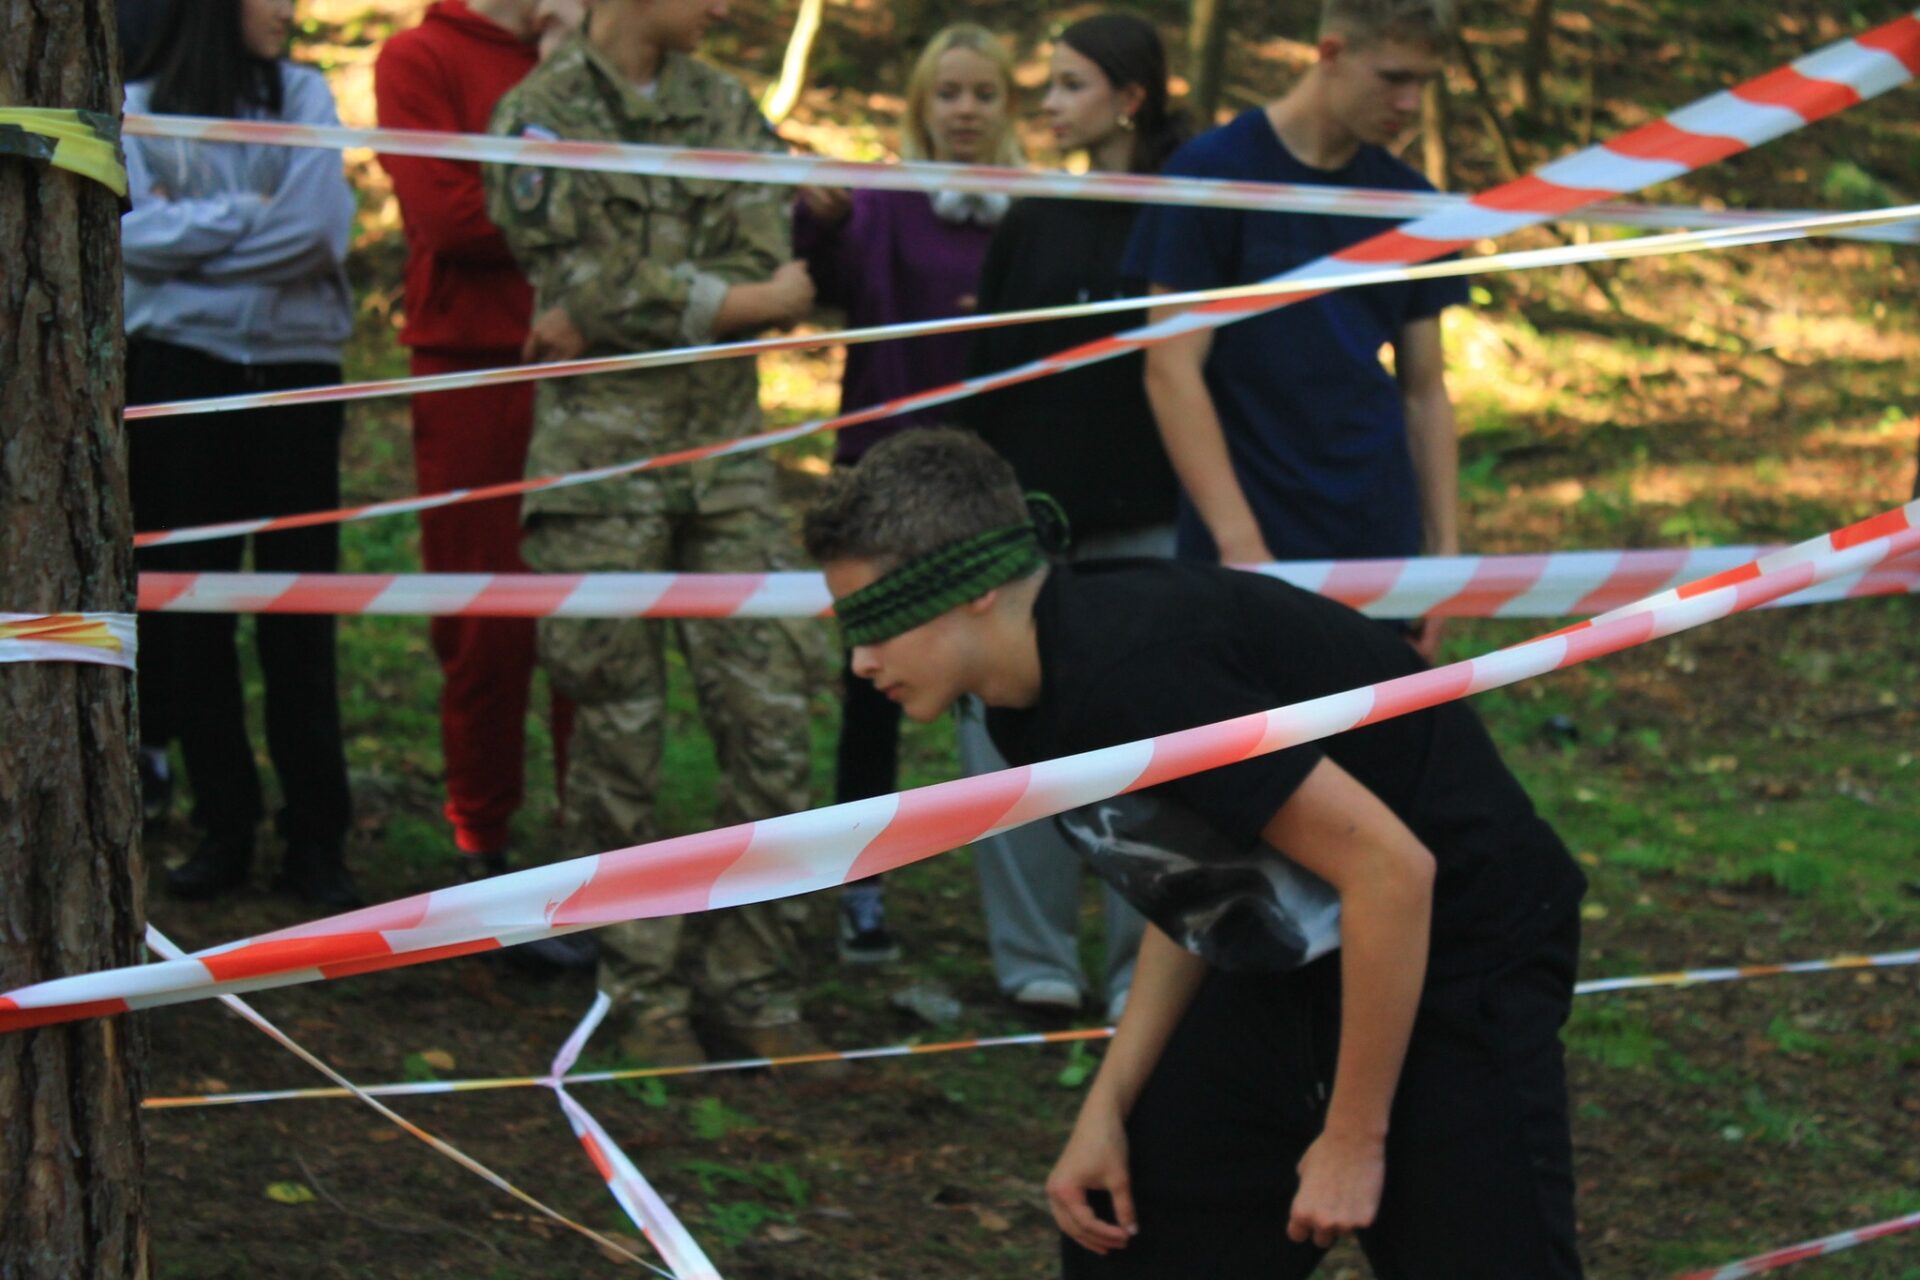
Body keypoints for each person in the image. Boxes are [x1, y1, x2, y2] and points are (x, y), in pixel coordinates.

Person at [803, 429, 1587, 1278]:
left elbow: (1392, 871)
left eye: (880, 620)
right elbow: (1195, 881)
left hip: (1457, 945)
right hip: (1294, 947)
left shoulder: (1136, 673)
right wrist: (1108, 1106)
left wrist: (1354, 1137)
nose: (861, 659)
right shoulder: (1025, 696)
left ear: (977, 589)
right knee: (1125, 1232)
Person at [486, 0, 828, 1066]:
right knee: (618, 738)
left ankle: (752, 981)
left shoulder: (725, 106)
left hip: (727, 469)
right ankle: (642, 993)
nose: (724, 9)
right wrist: (735, 301)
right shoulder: (537, 115)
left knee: (773, 715)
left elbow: (774, 266)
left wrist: (653, 305)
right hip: (601, 474)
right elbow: (577, 281)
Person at [954, 12, 1187, 1018]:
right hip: (1024, 530)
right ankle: (1035, 959)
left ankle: (1147, 965)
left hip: (1150, 520)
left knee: (1156, 739)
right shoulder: (1034, 215)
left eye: (1071, 85)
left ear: (1131, 99)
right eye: (1048, 83)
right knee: (1003, 726)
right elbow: (989, 374)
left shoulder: (1189, 212)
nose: (1047, 103)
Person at [1124, 0, 1468, 660]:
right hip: (1246, 524)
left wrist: (1444, 554)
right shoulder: (1213, 175)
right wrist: (1239, 542)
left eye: (1423, 82)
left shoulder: (1412, 202)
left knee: (1373, 725)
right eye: (1393, 77)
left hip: (1374, 528)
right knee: (1245, 725)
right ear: (1331, 54)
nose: (1409, 102)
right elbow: (1170, 369)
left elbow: (1425, 391)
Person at [792, 21, 1022, 964]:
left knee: (1009, 686)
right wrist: (818, 215)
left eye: (984, 94)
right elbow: (826, 275)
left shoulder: (1030, 210)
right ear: (923, 105)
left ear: (1007, 107)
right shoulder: (884, 201)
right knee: (873, 688)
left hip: (995, 482)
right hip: (883, 478)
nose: (965, 111)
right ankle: (862, 887)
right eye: (948, 93)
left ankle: (1028, 896)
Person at [125, 0, 361, 910]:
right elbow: (124, 238)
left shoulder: (305, 95)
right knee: (194, 609)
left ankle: (318, 839)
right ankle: (224, 824)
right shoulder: (136, 105)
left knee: (301, 609)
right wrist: (249, 213)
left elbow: (317, 232)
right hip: (181, 377)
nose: (289, 10)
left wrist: (192, 247)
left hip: (299, 378)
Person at [373, 0, 586, 940]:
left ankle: (593, 847)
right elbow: (450, 216)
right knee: (484, 613)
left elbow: (638, 206)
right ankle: (481, 838)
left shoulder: (593, 55)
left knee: (593, 611)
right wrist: (572, 205)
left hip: (592, 365)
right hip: (469, 367)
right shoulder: (419, 57)